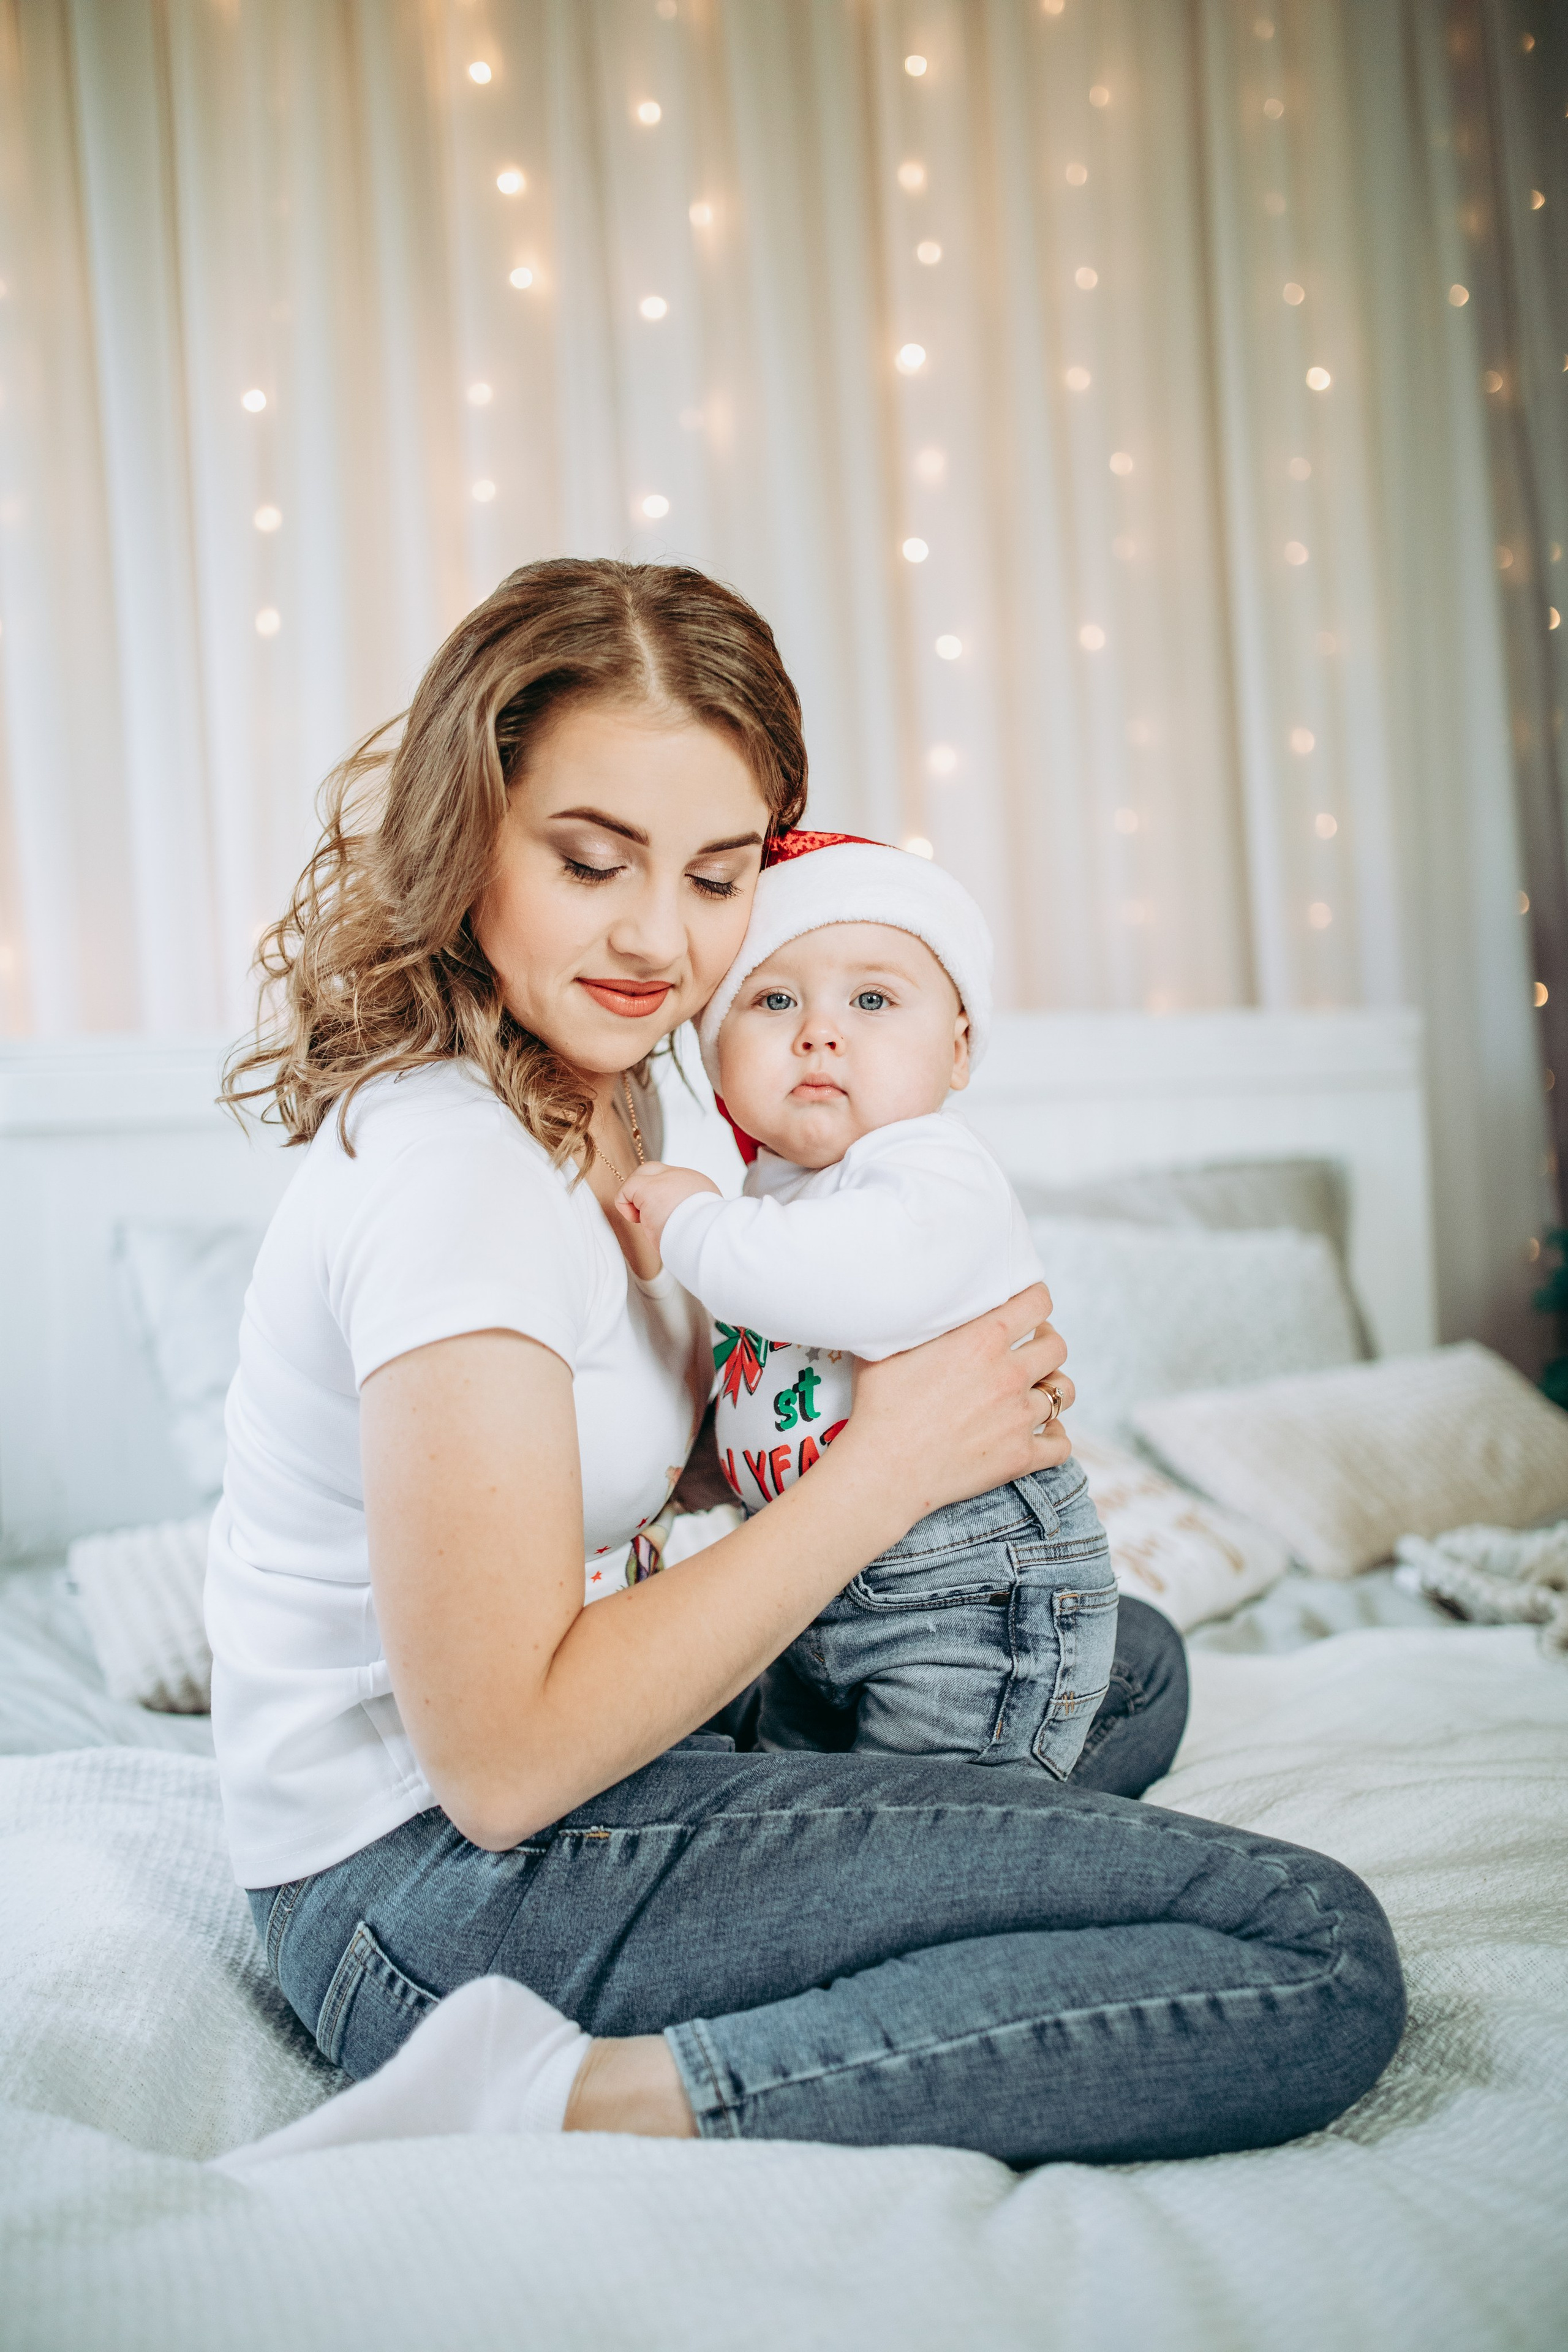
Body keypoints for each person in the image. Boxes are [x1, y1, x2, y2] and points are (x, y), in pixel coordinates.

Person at [211, 556, 1404, 2168]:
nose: (657, 937)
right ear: (466, 835)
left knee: (1122, 1664)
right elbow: (498, 1768)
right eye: (591, 861)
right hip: (433, 1891)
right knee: (1313, 1953)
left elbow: (601, 1438)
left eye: (716, 879)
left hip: (558, 1794)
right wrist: (897, 1457)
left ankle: (903, 1915)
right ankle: (579, 2098)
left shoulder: (611, 1084)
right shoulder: (454, 1186)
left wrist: (835, 1414)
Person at [616, 829, 1120, 1774]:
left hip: (966, 1591)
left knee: (932, 1825)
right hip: (813, 1593)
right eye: (772, 1000)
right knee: (798, 1789)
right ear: (716, 1053)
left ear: (960, 1049)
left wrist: (691, 1225)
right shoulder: (775, 1195)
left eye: (874, 999)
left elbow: (834, 1282)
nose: (820, 1031)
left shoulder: (933, 1167)